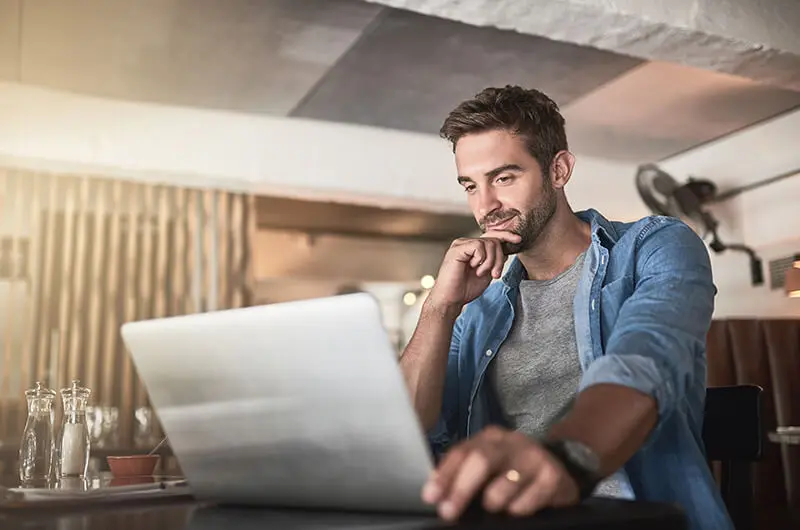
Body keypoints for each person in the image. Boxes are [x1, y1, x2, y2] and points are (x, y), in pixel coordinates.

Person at [398, 86, 732, 530]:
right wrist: (441, 307)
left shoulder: (655, 247)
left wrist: (562, 462)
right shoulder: (478, 309)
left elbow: (645, 361)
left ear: (559, 169)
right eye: (470, 186)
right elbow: (408, 428)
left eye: (503, 178)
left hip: (639, 517)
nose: (485, 206)